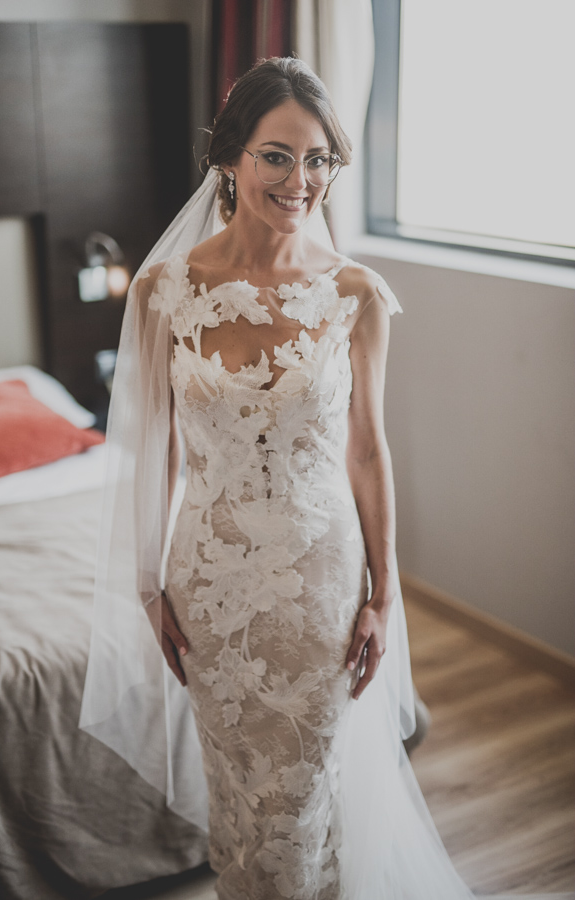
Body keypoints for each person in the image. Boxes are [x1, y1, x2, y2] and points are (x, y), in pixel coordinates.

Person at [80, 58, 568, 900]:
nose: (298, 181)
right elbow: (155, 446)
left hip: (319, 580)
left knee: (304, 788)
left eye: (318, 160)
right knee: (236, 782)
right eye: (277, 156)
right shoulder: (164, 291)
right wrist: (151, 585)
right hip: (209, 579)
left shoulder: (355, 295)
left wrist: (384, 595)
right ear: (231, 157)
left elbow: (367, 449)